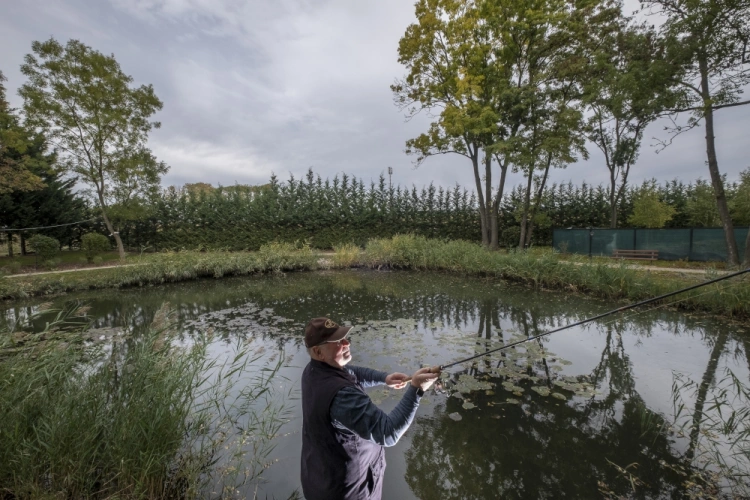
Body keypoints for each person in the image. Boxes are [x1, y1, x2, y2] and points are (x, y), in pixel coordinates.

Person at [300, 317, 439, 500]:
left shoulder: (314, 371)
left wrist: (384, 378)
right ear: (318, 351)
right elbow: (388, 433)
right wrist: (417, 388)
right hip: (349, 492)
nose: (346, 342)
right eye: (338, 342)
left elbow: (350, 372)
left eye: (344, 337)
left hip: (318, 477)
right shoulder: (341, 397)